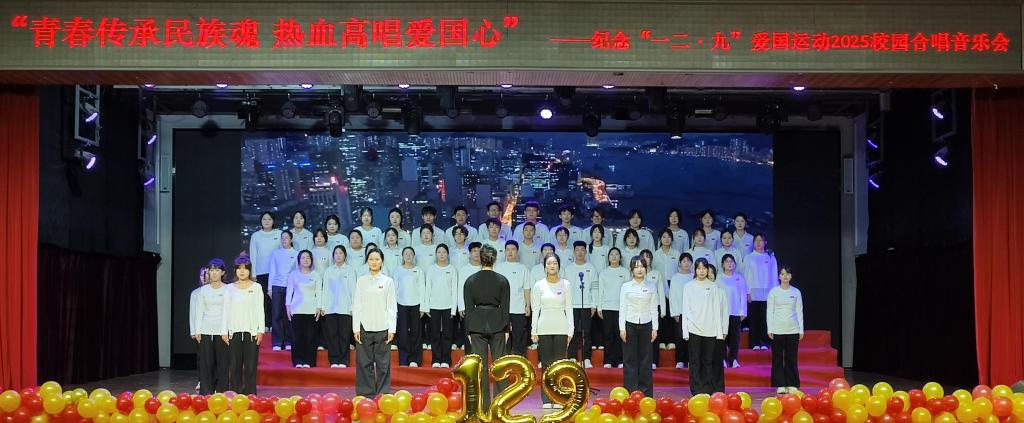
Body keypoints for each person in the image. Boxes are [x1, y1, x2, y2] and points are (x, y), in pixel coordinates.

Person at [463, 244, 511, 409]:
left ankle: (482, 406)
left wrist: (469, 330)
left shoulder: (470, 280)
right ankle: (500, 406)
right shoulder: (502, 280)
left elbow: (469, 308)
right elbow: (505, 307)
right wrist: (506, 328)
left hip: (476, 324)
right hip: (498, 323)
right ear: (494, 259)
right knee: (500, 365)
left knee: (480, 367)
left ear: (480, 259)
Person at [351, 250, 398, 397]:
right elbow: (357, 305)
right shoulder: (361, 281)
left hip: (383, 327)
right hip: (364, 327)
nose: (374, 262)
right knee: (364, 363)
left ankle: (383, 393)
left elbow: (391, 307)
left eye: (377, 259)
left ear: (382, 261)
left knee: (383, 364)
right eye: (371, 259)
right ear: (367, 261)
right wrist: (356, 328)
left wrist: (392, 329)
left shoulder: (388, 281)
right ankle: (366, 393)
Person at [530, 253, 573, 409]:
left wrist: (570, 330)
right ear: (545, 266)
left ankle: (559, 398)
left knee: (560, 364)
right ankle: (547, 398)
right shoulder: (539, 285)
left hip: (561, 327)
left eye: (554, 263)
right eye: (549, 263)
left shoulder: (566, 284)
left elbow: (569, 308)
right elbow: (536, 309)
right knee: (546, 364)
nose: (552, 266)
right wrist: (534, 330)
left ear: (559, 265)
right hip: (544, 328)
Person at [681, 258, 729, 395]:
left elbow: (716, 310)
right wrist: (685, 331)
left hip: (710, 329)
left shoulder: (713, 286)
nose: (701, 271)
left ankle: (707, 389)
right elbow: (686, 309)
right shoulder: (689, 286)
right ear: (695, 270)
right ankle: (696, 390)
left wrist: (719, 332)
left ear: (707, 270)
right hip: (693, 328)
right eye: (699, 268)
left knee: (708, 361)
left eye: (704, 268)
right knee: (694, 361)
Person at [620, 255, 659, 397]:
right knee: (629, 359)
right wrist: (622, 328)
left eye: (642, 266)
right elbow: (622, 308)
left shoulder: (651, 286)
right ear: (631, 270)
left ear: (646, 269)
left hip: (647, 324)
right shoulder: (626, 286)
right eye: (636, 267)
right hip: (629, 324)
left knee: (646, 359)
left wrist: (655, 328)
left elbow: (654, 308)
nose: (639, 269)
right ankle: (631, 392)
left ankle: (646, 393)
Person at [224, 256, 264, 395]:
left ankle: (250, 395)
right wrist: (224, 331)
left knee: (251, 366)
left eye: (245, 268)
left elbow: (260, 310)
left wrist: (260, 330)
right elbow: (225, 311)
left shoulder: (257, 287)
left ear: (249, 270)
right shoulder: (229, 288)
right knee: (234, 366)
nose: (242, 271)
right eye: (239, 268)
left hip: (251, 332)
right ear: (235, 270)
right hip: (233, 332)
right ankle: (236, 395)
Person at [191, 258, 230, 394]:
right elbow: (199, 311)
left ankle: (222, 393)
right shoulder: (203, 290)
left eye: (217, 270)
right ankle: (206, 393)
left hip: (222, 331)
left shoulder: (228, 289)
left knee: (222, 363)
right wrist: (197, 330)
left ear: (222, 272)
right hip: (205, 330)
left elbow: (229, 311)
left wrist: (227, 330)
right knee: (206, 363)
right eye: (211, 270)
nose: (214, 273)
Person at [768, 266, 804, 394]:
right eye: (782, 274)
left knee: (791, 357)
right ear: (779, 276)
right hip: (777, 329)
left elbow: (799, 311)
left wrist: (801, 329)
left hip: (793, 329)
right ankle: (780, 384)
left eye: (787, 274)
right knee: (777, 358)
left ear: (791, 276)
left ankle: (792, 383)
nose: (785, 276)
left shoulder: (796, 292)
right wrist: (770, 328)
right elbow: (770, 311)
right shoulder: (774, 292)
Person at [562, 241, 597, 368]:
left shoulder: (591, 268)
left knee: (586, 332)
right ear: (574, 252)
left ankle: (586, 358)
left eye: (582, 250)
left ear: (586, 252)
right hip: (571, 305)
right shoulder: (568, 269)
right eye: (577, 250)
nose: (580, 252)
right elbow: (564, 288)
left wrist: (594, 304)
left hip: (586, 305)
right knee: (572, 331)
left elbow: (594, 287)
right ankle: (572, 356)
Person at [321, 245, 358, 368]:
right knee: (332, 335)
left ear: (345, 255)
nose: (338, 255)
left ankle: (343, 361)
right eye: (336, 253)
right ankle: (334, 360)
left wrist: (353, 307)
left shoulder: (350, 270)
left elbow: (353, 289)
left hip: (345, 308)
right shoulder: (328, 270)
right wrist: (323, 306)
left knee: (344, 336)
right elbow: (325, 289)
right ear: (333, 256)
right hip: (330, 307)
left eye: (341, 253)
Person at [286, 250, 321, 368]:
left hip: (311, 309)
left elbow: (319, 292)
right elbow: (289, 291)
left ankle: (309, 361)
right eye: (303, 258)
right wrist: (288, 306)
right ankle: (298, 361)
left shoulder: (316, 275)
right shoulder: (293, 275)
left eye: (308, 257)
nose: (305, 260)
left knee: (310, 337)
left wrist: (319, 306)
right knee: (297, 337)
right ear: (299, 260)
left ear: (311, 260)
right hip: (296, 309)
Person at [494, 240, 530, 356]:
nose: (510, 252)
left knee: (519, 334)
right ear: (504, 251)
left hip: (519, 307)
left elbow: (526, 288)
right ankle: (504, 358)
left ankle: (520, 358)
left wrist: (528, 305)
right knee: (503, 335)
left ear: (517, 251)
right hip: (502, 308)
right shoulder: (499, 267)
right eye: (508, 249)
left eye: (513, 249)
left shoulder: (523, 268)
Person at [744, 233, 778, 351]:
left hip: (767, 292)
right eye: (756, 241)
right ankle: (754, 343)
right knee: (754, 319)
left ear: (765, 242)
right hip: (753, 292)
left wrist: (775, 293)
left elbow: (774, 276)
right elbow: (745, 276)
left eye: (761, 240)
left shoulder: (770, 257)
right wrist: (747, 292)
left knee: (765, 319)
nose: (758, 243)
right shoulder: (748, 257)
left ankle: (764, 342)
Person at [249, 211, 281, 336]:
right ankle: (266, 324)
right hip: (261, 272)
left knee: (275, 300)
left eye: (269, 219)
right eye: (264, 219)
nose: (267, 221)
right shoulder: (256, 236)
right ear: (261, 221)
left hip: (277, 273)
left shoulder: (279, 234)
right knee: (263, 300)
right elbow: (253, 255)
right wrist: (253, 274)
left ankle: (275, 324)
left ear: (273, 221)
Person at [393, 247, 427, 366]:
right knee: (402, 333)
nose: (408, 256)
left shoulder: (418, 270)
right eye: (406, 254)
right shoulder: (398, 270)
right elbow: (394, 289)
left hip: (416, 305)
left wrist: (423, 307)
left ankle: (415, 360)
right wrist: (394, 308)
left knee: (416, 333)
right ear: (402, 256)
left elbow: (422, 288)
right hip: (401, 304)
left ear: (414, 256)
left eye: (410, 253)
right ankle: (404, 359)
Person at [427, 244, 458, 368]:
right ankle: (436, 359)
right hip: (433, 305)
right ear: (436, 254)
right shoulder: (431, 269)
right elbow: (428, 288)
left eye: (444, 252)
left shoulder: (452, 269)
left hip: (448, 306)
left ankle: (446, 360)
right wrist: (426, 307)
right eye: (439, 252)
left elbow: (454, 290)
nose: (441, 254)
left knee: (447, 334)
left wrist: (453, 309)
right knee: (434, 334)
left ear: (447, 254)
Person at [597, 248, 628, 368]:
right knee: (608, 335)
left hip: (621, 308)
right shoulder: (604, 272)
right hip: (607, 307)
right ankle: (608, 361)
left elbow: (628, 290)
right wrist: (599, 307)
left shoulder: (625, 272)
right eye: (611, 254)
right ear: (608, 257)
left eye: (616, 254)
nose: (614, 256)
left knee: (620, 334)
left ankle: (620, 360)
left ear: (620, 257)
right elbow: (600, 291)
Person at [718, 254, 749, 369]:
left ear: (735, 264)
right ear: (722, 264)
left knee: (735, 337)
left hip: (735, 311)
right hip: (722, 313)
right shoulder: (718, 278)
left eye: (731, 261)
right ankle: (722, 359)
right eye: (726, 261)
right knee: (722, 337)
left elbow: (743, 295)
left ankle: (734, 359)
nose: (729, 263)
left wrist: (743, 311)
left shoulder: (739, 278)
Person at [268, 230, 297, 351]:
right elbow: (272, 270)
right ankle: (277, 342)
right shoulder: (276, 253)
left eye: (286, 237)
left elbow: (297, 273)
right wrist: (270, 287)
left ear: (291, 240)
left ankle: (289, 341)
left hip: (290, 287)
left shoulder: (296, 253)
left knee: (289, 315)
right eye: (282, 238)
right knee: (276, 315)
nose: (284, 240)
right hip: (276, 286)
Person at [455, 243, 483, 351]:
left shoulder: (485, 268)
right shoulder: (464, 270)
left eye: (479, 251)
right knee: (469, 335)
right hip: (469, 307)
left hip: (484, 307)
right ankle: (469, 358)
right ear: (470, 253)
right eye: (474, 251)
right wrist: (461, 306)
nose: (477, 253)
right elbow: (460, 289)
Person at [668, 253, 695, 368]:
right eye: (684, 261)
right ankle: (680, 360)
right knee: (679, 337)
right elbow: (672, 295)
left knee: (692, 338)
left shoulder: (694, 277)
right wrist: (675, 313)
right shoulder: (675, 277)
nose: (686, 263)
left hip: (693, 313)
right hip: (680, 312)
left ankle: (690, 360)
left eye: (689, 261)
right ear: (679, 263)